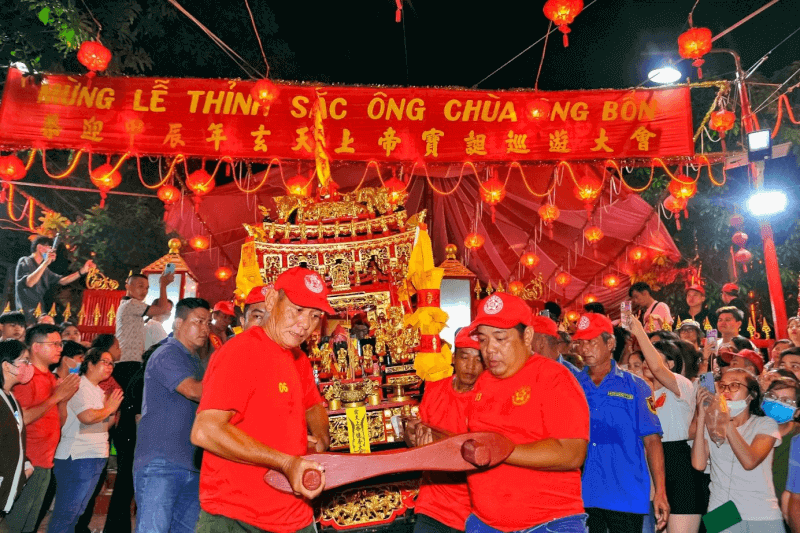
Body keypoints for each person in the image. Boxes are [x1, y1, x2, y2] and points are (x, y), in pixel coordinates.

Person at [190, 267, 334, 532]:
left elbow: (313, 405)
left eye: (315, 316)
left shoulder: (297, 358)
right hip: (239, 516)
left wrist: (320, 439)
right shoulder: (242, 351)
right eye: (297, 309)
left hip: (293, 513)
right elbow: (205, 430)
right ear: (271, 302)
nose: (305, 324)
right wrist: (286, 462)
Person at [431, 292, 588, 532]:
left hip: (547, 524)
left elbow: (571, 452)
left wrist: (499, 450)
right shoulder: (483, 383)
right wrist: (429, 438)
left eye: (500, 338)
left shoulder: (554, 378)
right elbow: (469, 444)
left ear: (527, 336)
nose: (489, 350)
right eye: (483, 340)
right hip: (485, 523)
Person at [575, 312, 669, 532]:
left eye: (591, 341)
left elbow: (653, 441)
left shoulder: (636, 386)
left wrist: (661, 492)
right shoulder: (573, 385)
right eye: (580, 342)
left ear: (610, 343)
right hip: (583, 494)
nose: (585, 349)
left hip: (626, 493)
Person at [133, 298, 210, 533]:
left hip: (190, 464)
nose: (205, 329)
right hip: (162, 463)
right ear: (178, 322)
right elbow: (194, 391)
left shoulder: (195, 360)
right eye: (199, 321)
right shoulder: (167, 353)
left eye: (208, 322)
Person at [630, 317, 704, 533]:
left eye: (652, 358)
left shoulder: (682, 385)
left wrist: (638, 332)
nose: (646, 363)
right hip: (651, 462)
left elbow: (657, 369)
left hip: (679, 464)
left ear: (670, 364)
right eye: (644, 358)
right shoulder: (642, 392)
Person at [4, 325, 80, 533]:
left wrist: (63, 401)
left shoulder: (51, 378)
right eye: (54, 344)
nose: (59, 348)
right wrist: (56, 397)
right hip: (27, 463)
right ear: (36, 347)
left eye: (60, 344)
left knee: (29, 525)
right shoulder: (25, 378)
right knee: (13, 524)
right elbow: (21, 418)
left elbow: (58, 422)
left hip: (45, 462)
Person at [408, 327, 484, 533]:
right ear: (453, 357)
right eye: (465, 357)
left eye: (479, 360)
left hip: (475, 512)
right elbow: (416, 438)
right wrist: (412, 433)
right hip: (433, 505)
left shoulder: (488, 398)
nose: (471, 366)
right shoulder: (434, 389)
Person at [693, 368, 784, 531]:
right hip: (720, 512)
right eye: (722, 386)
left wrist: (726, 420)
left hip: (760, 513)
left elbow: (749, 462)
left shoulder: (765, 424)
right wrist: (702, 417)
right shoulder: (712, 426)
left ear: (752, 394)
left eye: (734, 385)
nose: (726, 391)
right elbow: (699, 464)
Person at [47, 349, 123, 533]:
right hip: (77, 456)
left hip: (95, 455)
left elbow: (103, 425)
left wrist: (113, 412)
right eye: (105, 362)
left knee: (77, 513)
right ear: (89, 364)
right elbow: (87, 417)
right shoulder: (78, 385)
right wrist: (109, 409)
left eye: (112, 363)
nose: (109, 367)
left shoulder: (98, 390)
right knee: (66, 513)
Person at [115, 272, 174, 391]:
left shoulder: (128, 304)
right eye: (140, 286)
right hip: (128, 361)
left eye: (147, 288)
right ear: (127, 286)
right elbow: (162, 309)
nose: (144, 291)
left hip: (128, 360)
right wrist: (163, 285)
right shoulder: (131, 303)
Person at [15, 236, 95, 324]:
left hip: (39, 313)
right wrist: (46, 263)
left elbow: (62, 281)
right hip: (25, 313)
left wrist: (82, 270)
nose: (52, 251)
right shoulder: (25, 261)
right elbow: (29, 283)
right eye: (49, 248)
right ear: (40, 247)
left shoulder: (44, 270)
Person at [0, 340, 34, 527]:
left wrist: (26, 465)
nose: (29, 367)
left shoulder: (11, 398)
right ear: (6, 365)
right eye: (25, 361)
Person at [763, 378, 800, 520]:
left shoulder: (797, 439)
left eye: (786, 401)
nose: (776, 403)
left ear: (797, 412)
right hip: (742, 507)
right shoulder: (749, 430)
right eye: (772, 397)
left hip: (782, 517)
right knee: (710, 525)